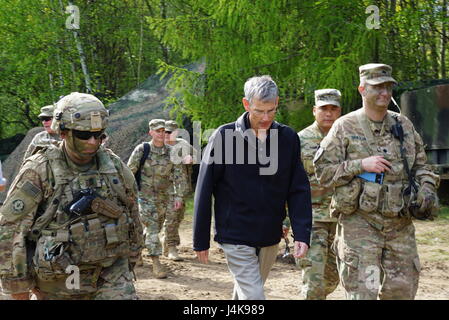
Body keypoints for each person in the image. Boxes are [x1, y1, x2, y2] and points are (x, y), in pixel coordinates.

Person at [313, 63, 440, 300]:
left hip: (399, 223)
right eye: (377, 87)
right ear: (362, 89)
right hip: (361, 223)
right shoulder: (344, 126)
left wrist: (426, 188)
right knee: (364, 293)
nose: (384, 93)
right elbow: (323, 172)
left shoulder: (403, 125)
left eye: (388, 87)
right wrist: (360, 165)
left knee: (402, 291)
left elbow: (422, 166)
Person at [0, 92, 144, 300]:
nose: (93, 141)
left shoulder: (114, 168)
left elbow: (132, 214)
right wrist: (19, 288)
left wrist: (131, 259)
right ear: (63, 132)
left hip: (111, 272)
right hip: (59, 280)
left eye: (99, 134)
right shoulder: (40, 170)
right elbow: (11, 230)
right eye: (84, 135)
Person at [193, 75, 312, 300]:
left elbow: (298, 189)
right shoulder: (224, 136)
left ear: (276, 102)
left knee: (247, 293)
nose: (266, 118)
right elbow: (204, 187)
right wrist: (200, 239)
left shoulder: (288, 138)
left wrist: (302, 233)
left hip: (269, 234)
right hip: (234, 233)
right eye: (259, 111)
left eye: (271, 110)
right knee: (255, 297)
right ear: (246, 104)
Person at [293, 89, 342, 300]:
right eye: (324, 109)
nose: (328, 113)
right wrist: (286, 220)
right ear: (314, 110)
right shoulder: (299, 140)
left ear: (340, 112)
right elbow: (287, 183)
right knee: (314, 280)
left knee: (332, 279)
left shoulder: (348, 138)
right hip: (311, 220)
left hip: (342, 220)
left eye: (333, 109)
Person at [127, 119, 188, 278]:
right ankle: (156, 263)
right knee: (152, 228)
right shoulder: (142, 150)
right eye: (157, 131)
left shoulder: (171, 152)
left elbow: (179, 176)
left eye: (163, 131)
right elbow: (129, 173)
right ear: (151, 132)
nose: (161, 134)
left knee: (155, 227)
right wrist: (129, 194)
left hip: (165, 198)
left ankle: (137, 251)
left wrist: (179, 196)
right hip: (145, 197)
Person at [163, 120, 198, 261]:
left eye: (169, 132)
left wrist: (191, 159)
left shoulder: (183, 145)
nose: (166, 135)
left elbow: (197, 156)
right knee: (164, 219)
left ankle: (167, 245)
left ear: (176, 133)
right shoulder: (158, 145)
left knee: (176, 218)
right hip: (160, 188)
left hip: (179, 189)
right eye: (164, 131)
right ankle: (168, 246)